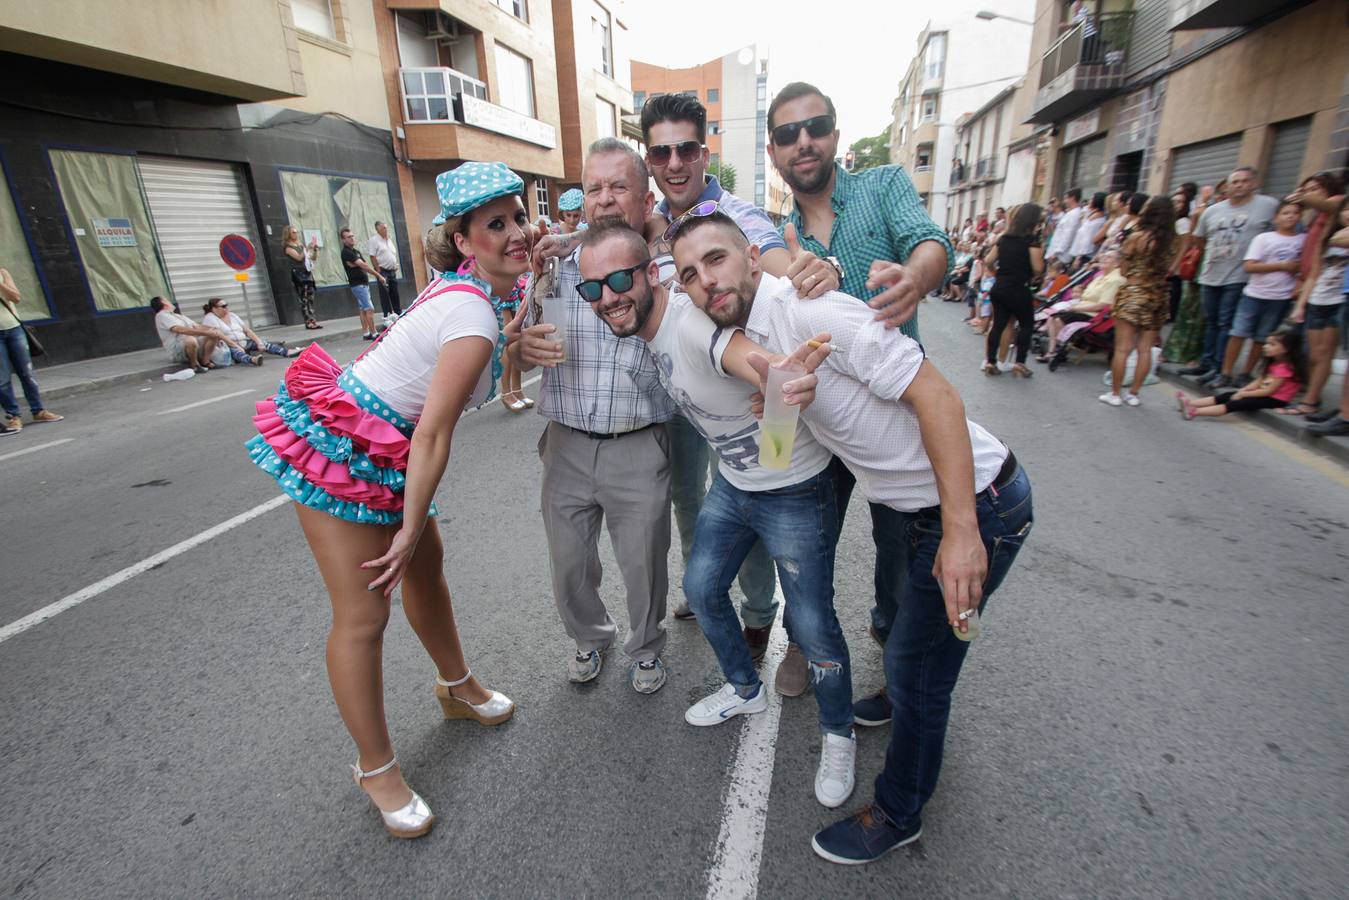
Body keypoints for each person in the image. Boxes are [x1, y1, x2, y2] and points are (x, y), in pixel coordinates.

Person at [667, 209, 1032, 865]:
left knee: (920, 674)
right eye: (689, 275)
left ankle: (898, 813)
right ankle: (897, 695)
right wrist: (782, 404)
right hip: (911, 507)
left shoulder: (812, 310)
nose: (705, 282)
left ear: (751, 257)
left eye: (715, 260)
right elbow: (791, 434)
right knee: (908, 648)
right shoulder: (757, 333)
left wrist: (961, 533)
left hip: (977, 501)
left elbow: (939, 398)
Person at [244, 161, 525, 840]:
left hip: (378, 446)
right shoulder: (471, 311)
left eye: (519, 215)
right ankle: (376, 768)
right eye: (496, 224)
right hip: (348, 451)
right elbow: (433, 433)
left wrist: (514, 337)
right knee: (363, 615)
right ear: (464, 241)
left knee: (427, 569)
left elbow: (438, 366)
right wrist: (405, 525)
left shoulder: (470, 292)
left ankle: (456, 685)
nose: (517, 231)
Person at [579, 222, 859, 807]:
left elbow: (756, 363)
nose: (608, 298)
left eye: (620, 281)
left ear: (650, 277)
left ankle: (839, 733)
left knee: (813, 625)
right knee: (703, 589)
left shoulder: (686, 325)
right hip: (735, 486)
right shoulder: (648, 329)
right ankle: (745, 689)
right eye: (593, 289)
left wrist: (781, 380)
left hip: (794, 491)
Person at [640, 90, 839, 671]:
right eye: (661, 153)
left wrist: (816, 270)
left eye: (685, 149)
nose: (674, 163)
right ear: (650, 162)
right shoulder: (655, 223)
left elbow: (777, 268)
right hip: (685, 393)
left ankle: (763, 617)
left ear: (705, 154)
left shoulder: (739, 218)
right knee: (689, 498)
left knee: (768, 497)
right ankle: (710, 589)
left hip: (748, 387)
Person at [767, 80, 954, 664]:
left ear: (835, 136)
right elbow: (768, 332)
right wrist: (770, 416)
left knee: (899, 549)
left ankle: (893, 643)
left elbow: (931, 243)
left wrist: (915, 277)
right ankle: (804, 641)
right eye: (787, 134)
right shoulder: (777, 239)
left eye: (816, 127)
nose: (803, 141)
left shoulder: (883, 185)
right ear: (773, 152)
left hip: (896, 419)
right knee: (807, 542)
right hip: (823, 424)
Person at [510, 139, 678, 695]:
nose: (604, 198)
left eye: (618, 186)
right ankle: (590, 636)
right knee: (569, 563)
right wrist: (523, 347)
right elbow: (522, 341)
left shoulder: (667, 269)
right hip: (567, 442)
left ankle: (646, 648)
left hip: (639, 442)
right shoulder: (555, 264)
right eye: (593, 188)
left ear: (644, 198)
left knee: (644, 563)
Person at [1185, 166, 1280, 382]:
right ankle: (1207, 362)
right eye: (1235, 182)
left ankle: (1220, 367)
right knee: (1211, 321)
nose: (1239, 185)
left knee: (1226, 323)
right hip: (1211, 273)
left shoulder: (1268, 205)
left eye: (1245, 181)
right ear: (1228, 186)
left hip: (1240, 276)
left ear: (1254, 184)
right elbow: (1199, 239)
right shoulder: (1213, 211)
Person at [1217, 201, 1304, 386]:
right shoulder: (1263, 238)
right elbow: (1249, 266)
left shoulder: (1303, 240)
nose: (1290, 216)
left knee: (1262, 338)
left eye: (1295, 213)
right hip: (1254, 294)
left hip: (1280, 297)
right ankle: (1225, 373)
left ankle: (1246, 374)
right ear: (1276, 217)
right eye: (1286, 212)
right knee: (1238, 333)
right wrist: (1282, 266)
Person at [1101, 196, 1175, 406]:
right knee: (1145, 348)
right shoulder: (1174, 241)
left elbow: (1124, 270)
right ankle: (1134, 394)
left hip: (1133, 293)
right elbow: (1171, 269)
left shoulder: (1136, 237)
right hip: (1158, 295)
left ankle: (1115, 394)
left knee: (1122, 348)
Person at [1288, 197, 1349, 416]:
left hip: (1338, 302)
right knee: (1313, 355)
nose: (1348, 214)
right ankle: (1313, 395)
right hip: (1317, 300)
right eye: (1346, 210)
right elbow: (1314, 274)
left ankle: (1311, 400)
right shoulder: (1329, 237)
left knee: (1324, 354)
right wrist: (1301, 304)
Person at [1177, 330, 1305, 419]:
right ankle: (1191, 403)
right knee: (1227, 395)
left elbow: (1269, 391)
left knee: (1235, 404)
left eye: (1272, 344)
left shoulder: (1285, 369)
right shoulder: (1274, 363)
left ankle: (1195, 412)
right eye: (1267, 343)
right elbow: (1259, 381)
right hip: (1264, 394)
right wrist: (1242, 391)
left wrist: (1243, 394)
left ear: (1286, 349)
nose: (1265, 347)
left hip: (1275, 400)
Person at [982, 204, 1044, 378]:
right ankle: (1019, 362)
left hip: (1000, 286)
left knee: (998, 325)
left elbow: (988, 260)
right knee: (1026, 325)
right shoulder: (1032, 241)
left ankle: (990, 361)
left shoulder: (1004, 238)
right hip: (1019, 288)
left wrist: (997, 272)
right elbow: (1038, 268)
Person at [0, 266, 62, 433]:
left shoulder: (3, 272)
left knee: (27, 374)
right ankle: (13, 417)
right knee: (2, 379)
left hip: (14, 330)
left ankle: (38, 411)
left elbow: (15, 297)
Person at [1038, 249, 1125, 362]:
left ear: (1117, 263)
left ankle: (1056, 350)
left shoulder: (1116, 280)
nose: (1104, 258)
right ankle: (1054, 350)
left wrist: (1075, 308)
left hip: (1094, 314)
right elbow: (1084, 296)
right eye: (1104, 256)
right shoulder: (1099, 277)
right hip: (1082, 308)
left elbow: (1103, 305)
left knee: (1057, 319)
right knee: (1054, 316)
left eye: (1109, 257)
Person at [201, 298, 300, 361]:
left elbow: (247, 330)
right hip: (228, 345)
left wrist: (258, 342)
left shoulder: (232, 315)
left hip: (243, 341)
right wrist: (236, 346)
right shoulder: (210, 318)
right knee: (237, 353)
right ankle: (253, 360)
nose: (226, 308)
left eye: (227, 305)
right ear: (214, 308)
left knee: (264, 344)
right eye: (223, 306)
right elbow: (220, 335)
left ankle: (286, 352)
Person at [151, 296, 230, 373]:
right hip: (177, 350)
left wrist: (213, 329)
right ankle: (195, 365)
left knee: (213, 335)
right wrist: (206, 332)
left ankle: (205, 361)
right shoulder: (162, 315)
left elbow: (197, 326)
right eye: (167, 300)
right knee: (190, 339)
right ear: (164, 303)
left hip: (191, 344)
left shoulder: (178, 316)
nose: (170, 302)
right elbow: (180, 329)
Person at [340, 227, 385, 341]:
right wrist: (379, 275)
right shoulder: (346, 252)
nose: (352, 238)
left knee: (363, 308)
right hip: (358, 285)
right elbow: (364, 266)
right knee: (369, 308)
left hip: (363, 283)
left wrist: (356, 264)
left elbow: (364, 263)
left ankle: (366, 332)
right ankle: (374, 333)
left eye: (352, 236)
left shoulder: (356, 252)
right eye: (348, 237)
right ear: (343, 240)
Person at [281, 225, 321, 330]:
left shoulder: (300, 245)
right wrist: (307, 248)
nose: (296, 234)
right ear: (288, 234)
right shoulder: (288, 247)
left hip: (307, 273)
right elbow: (299, 258)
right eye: (293, 232)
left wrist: (315, 250)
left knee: (310, 298)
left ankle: (313, 320)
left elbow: (311, 258)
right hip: (299, 275)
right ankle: (308, 322)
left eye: (296, 232)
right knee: (304, 299)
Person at [367, 220, 403, 325]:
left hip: (392, 270)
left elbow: (392, 253)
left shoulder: (389, 240)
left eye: (386, 228)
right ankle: (387, 314)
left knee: (394, 292)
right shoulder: (374, 240)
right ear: (378, 229)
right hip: (382, 270)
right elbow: (372, 256)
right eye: (383, 228)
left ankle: (397, 312)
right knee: (385, 293)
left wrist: (395, 264)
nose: (386, 230)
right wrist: (377, 269)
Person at [1048, 188, 1084, 265]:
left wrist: (1057, 252)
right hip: (1059, 252)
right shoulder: (1071, 213)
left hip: (1062, 255)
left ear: (1072, 198)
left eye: (1066, 198)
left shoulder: (1074, 214)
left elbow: (1068, 235)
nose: (1064, 201)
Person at [1071, 191, 1106, 265]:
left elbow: (1088, 241)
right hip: (1080, 253)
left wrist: (1079, 257)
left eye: (1092, 199)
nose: (1089, 201)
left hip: (1086, 256)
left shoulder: (1098, 221)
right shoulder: (1090, 215)